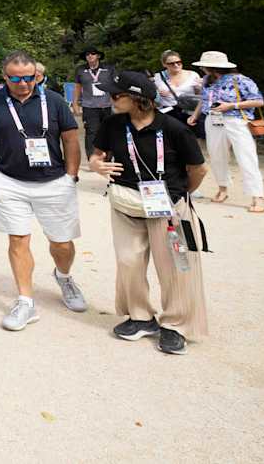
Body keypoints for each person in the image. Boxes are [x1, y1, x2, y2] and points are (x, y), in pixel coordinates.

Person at [89, 70, 208, 354]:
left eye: (116, 95)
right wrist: (96, 165)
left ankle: (175, 324)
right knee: (128, 262)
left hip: (168, 207)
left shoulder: (175, 129)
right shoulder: (112, 124)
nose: (111, 98)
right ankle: (140, 316)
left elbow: (198, 169)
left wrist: (179, 196)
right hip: (126, 203)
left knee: (176, 266)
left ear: (137, 99)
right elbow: (96, 156)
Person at [0, 50, 87, 331]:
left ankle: (63, 277)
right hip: (10, 181)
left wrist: (71, 176)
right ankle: (26, 301)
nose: (24, 84)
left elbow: (71, 139)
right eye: (16, 78)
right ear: (5, 76)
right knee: (18, 241)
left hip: (53, 181)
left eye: (30, 78)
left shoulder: (54, 100)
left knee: (62, 243)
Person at [188, 51, 264, 213]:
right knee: (217, 156)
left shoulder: (241, 80)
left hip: (236, 120)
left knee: (246, 157)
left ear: (211, 67)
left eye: (204, 65)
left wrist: (231, 106)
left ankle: (257, 196)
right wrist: (195, 115)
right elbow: (204, 99)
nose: (202, 68)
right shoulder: (206, 80)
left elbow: (258, 101)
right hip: (213, 119)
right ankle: (222, 189)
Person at [72, 48, 115, 158]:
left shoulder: (109, 68)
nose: (90, 56)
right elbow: (77, 87)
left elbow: (115, 85)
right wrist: (75, 104)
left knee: (109, 132)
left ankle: (108, 158)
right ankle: (93, 158)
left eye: (93, 53)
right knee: (92, 132)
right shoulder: (80, 69)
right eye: (87, 54)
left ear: (98, 56)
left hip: (107, 105)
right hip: (89, 106)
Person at [154, 50, 204, 129]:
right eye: (171, 63)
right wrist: (157, 93)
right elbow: (153, 99)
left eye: (178, 62)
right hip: (169, 113)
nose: (176, 65)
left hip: (189, 112)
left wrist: (200, 87)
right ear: (164, 64)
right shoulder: (158, 77)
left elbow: (201, 96)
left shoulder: (193, 75)